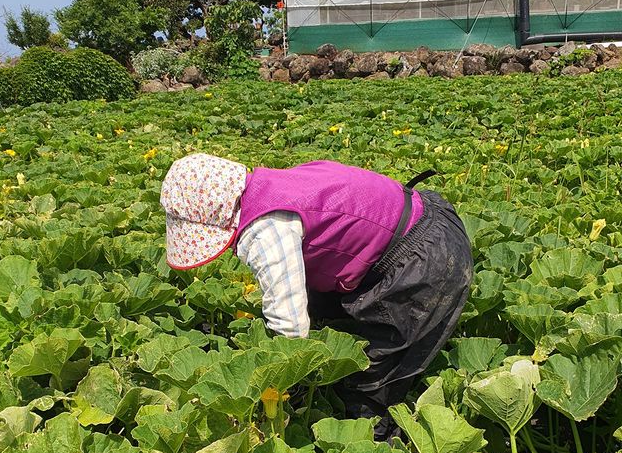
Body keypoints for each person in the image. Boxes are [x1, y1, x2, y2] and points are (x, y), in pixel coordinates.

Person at [160, 153, 473, 435]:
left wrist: (281, 390)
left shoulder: (265, 229)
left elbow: (290, 329)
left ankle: (375, 445)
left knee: (372, 382)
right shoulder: (274, 183)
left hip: (425, 263)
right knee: (324, 320)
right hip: (426, 218)